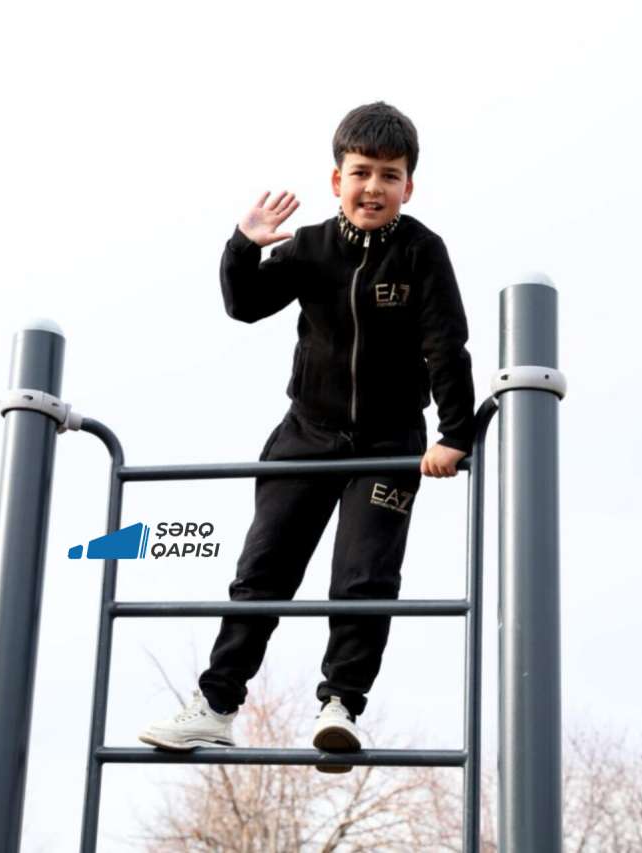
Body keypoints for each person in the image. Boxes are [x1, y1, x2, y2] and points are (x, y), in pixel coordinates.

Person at [138, 102, 476, 773]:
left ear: (408, 187)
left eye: (389, 175)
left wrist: (453, 434)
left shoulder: (422, 252)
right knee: (262, 572)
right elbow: (244, 305)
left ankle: (340, 706)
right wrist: (244, 244)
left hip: (389, 443)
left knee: (363, 577)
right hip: (306, 434)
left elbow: (446, 345)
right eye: (361, 172)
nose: (373, 187)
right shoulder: (312, 248)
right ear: (336, 179)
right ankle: (216, 705)